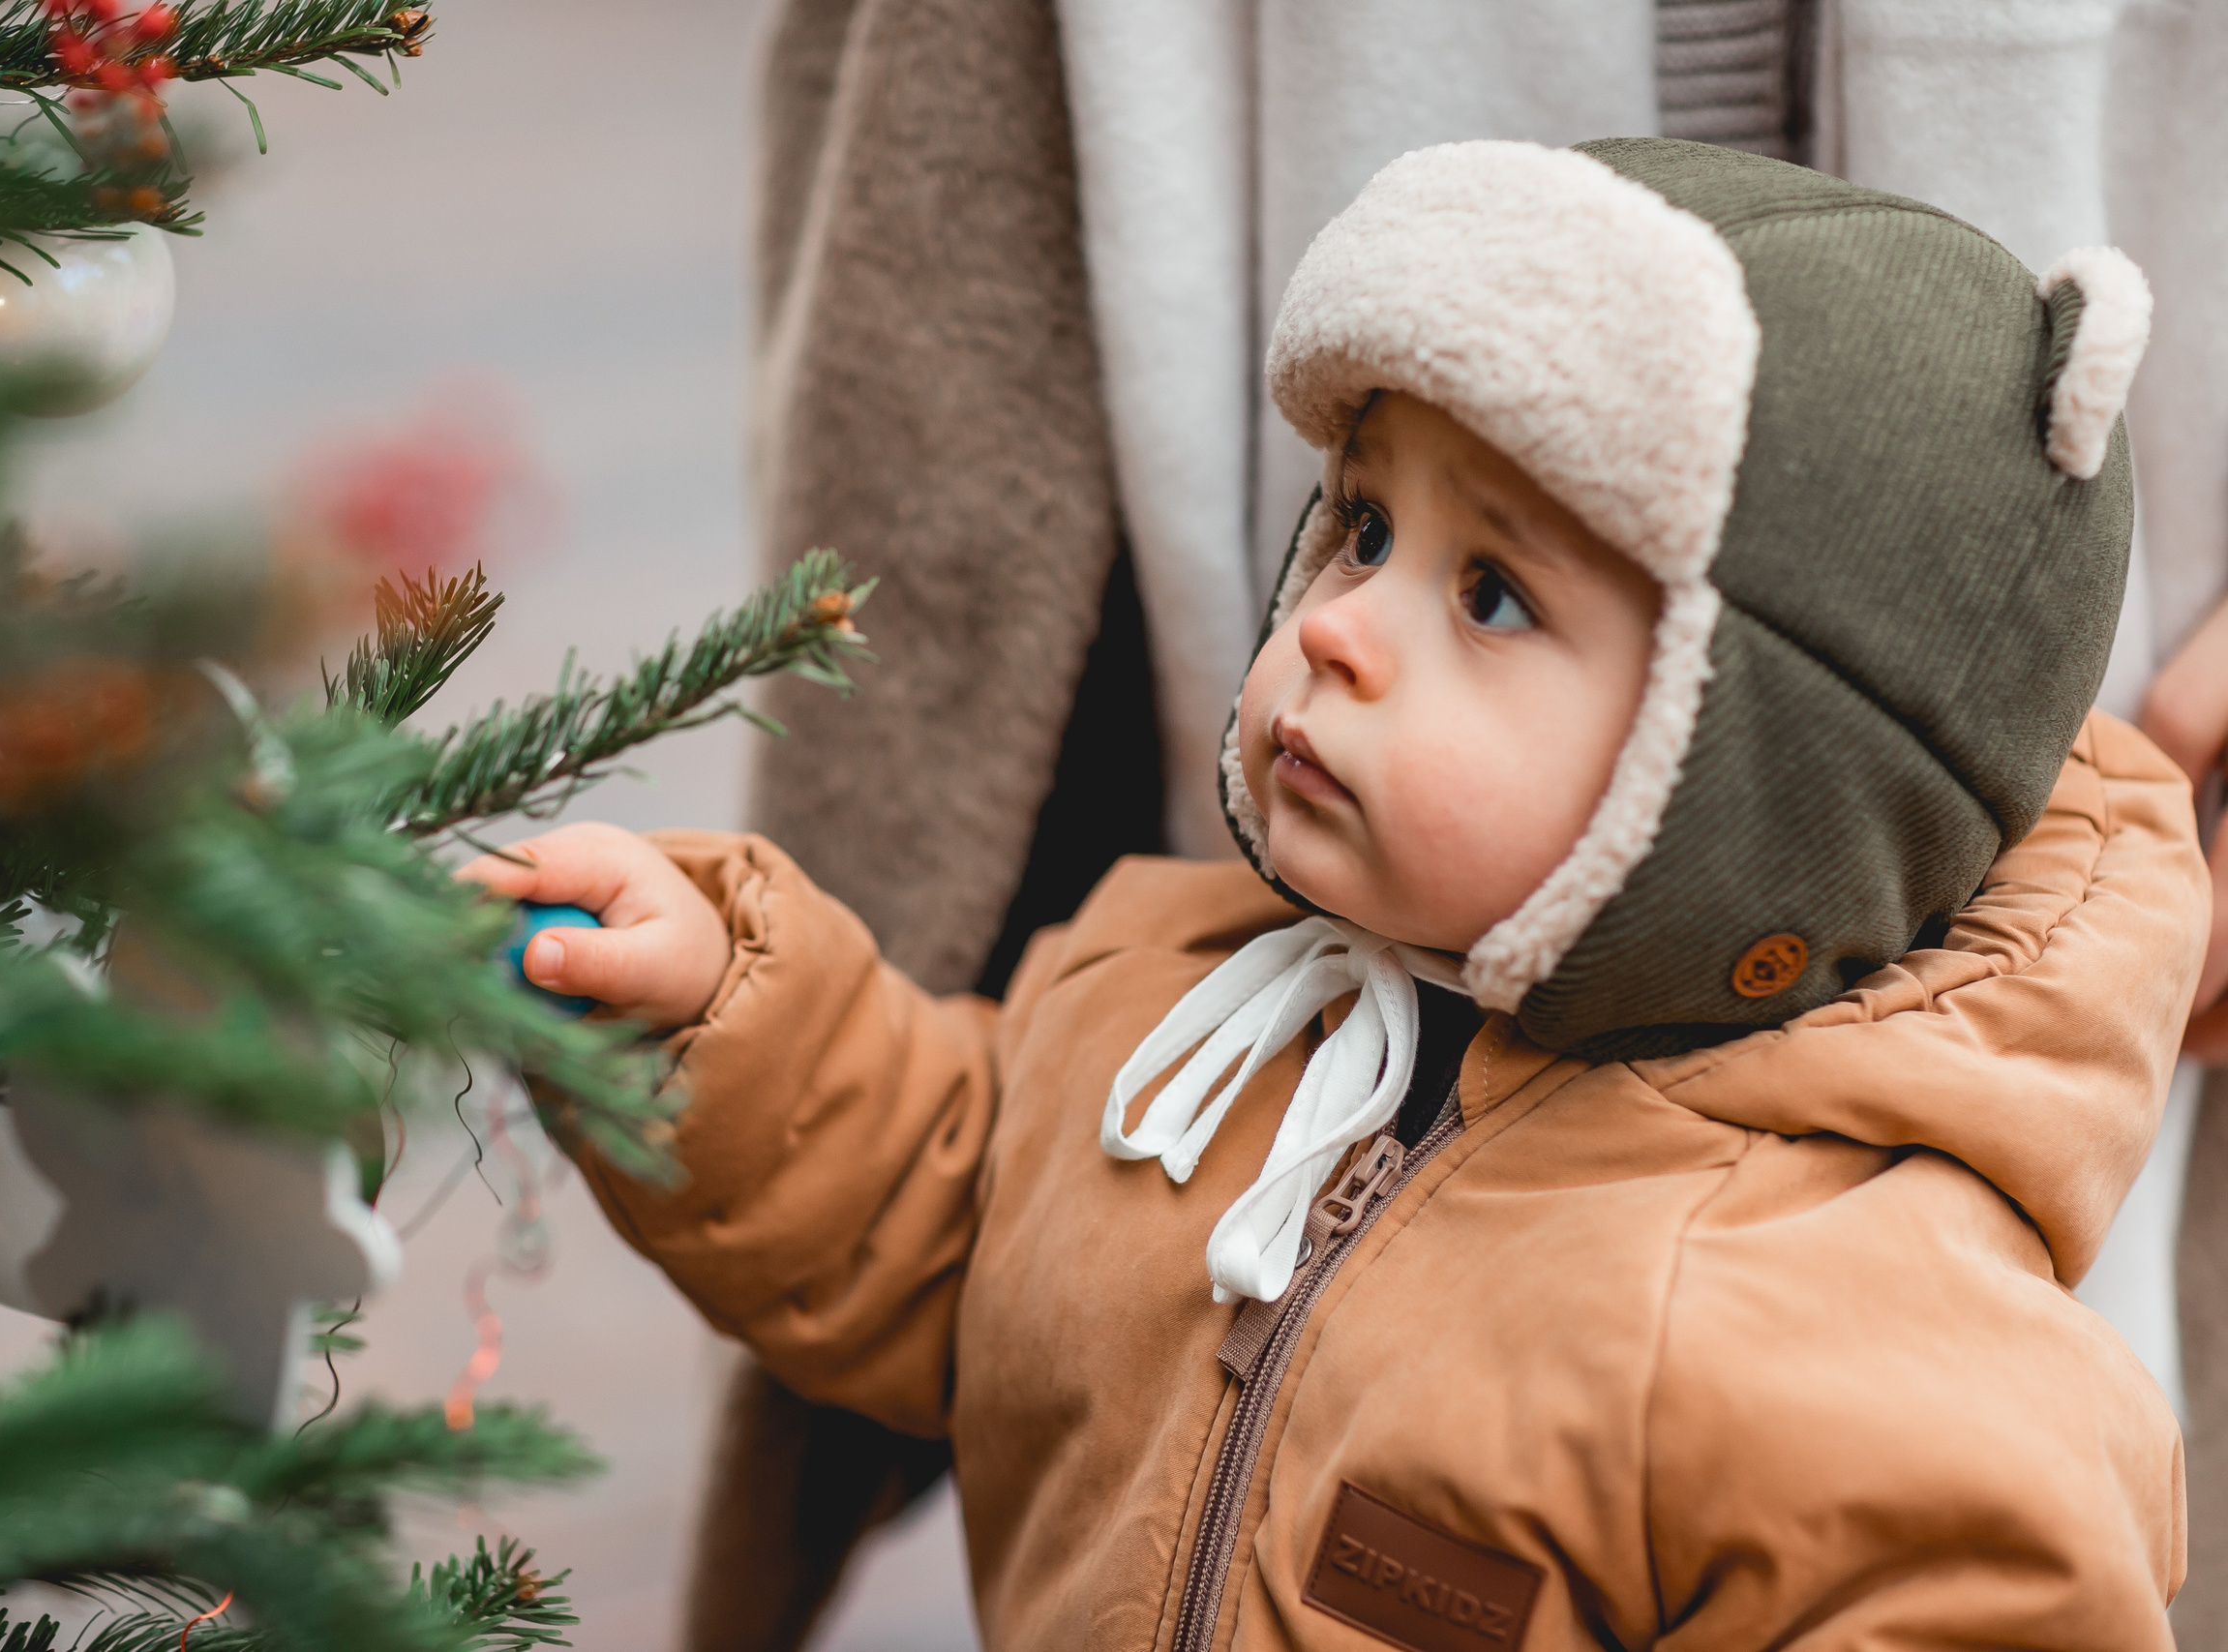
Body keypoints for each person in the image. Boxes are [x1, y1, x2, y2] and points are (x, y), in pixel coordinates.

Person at [476, 140, 2205, 1641]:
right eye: (1368, 527)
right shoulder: (1165, 1001)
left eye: (1494, 595)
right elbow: (944, 1229)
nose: (1331, 624)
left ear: (1759, 765)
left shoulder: (1842, 1328)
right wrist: (722, 1012)